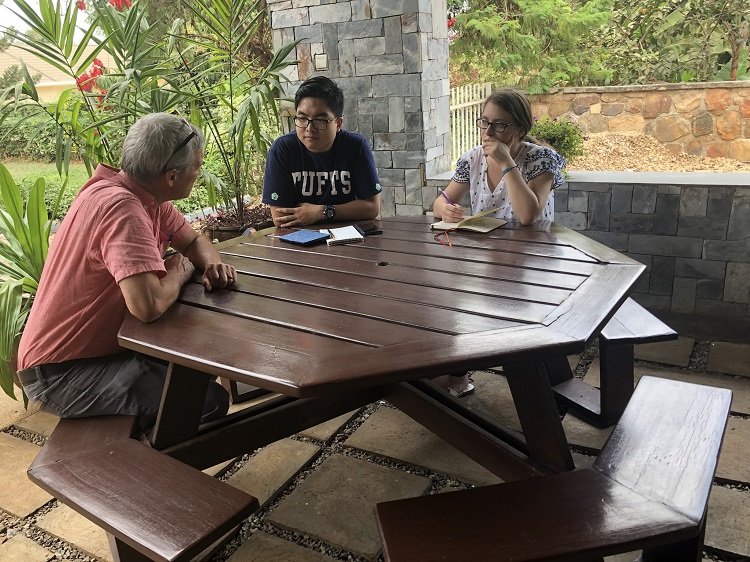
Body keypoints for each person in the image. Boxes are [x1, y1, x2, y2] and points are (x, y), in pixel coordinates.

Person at [16, 112, 235, 433]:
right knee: (204, 400)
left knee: (194, 363)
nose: (199, 173)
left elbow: (194, 241)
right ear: (172, 176)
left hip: (92, 355)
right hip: (62, 374)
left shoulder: (141, 194)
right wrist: (182, 268)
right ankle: (119, 472)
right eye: (197, 166)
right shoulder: (123, 210)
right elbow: (147, 307)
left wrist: (212, 263)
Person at [432, 89, 566, 397]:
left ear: (520, 129)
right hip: (487, 259)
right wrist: (445, 209)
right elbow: (440, 201)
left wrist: (507, 163)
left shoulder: (540, 160)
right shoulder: (472, 159)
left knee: (514, 322)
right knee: (449, 296)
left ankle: (533, 388)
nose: (489, 132)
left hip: (534, 262)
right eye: (485, 122)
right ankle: (455, 369)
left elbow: (529, 215)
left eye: (500, 125)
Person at [262, 76, 382, 227]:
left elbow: (371, 208)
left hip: (347, 237)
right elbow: (280, 218)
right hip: (298, 239)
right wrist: (345, 211)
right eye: (302, 118)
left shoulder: (355, 147)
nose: (309, 128)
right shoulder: (283, 149)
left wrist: (321, 212)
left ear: (338, 123)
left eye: (320, 120)